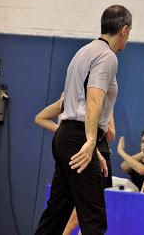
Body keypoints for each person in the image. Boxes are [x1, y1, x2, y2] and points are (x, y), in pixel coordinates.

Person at [34, 4, 132, 235]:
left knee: (56, 215)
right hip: (78, 137)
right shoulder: (107, 57)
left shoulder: (83, 52)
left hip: (66, 136)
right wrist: (90, 141)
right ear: (125, 30)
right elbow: (93, 100)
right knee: (93, 218)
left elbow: (73, 102)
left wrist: (92, 145)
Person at [34, 94, 115, 235]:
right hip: (80, 153)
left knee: (75, 215)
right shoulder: (72, 96)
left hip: (90, 151)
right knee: (81, 216)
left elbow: (111, 134)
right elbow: (41, 118)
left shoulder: (100, 95)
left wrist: (100, 121)